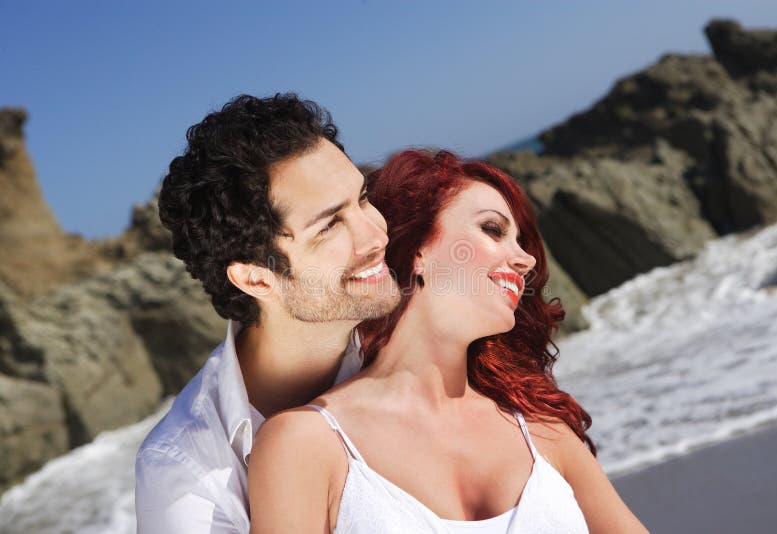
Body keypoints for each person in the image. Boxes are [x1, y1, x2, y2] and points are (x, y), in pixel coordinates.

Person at [248, 149, 649, 533]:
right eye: (493, 230)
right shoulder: (306, 443)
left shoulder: (543, 431)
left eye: (521, 242)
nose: (524, 259)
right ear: (419, 248)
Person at [135, 93, 400, 533]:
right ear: (258, 280)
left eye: (364, 198)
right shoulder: (187, 472)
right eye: (331, 224)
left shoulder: (413, 327)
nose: (377, 235)